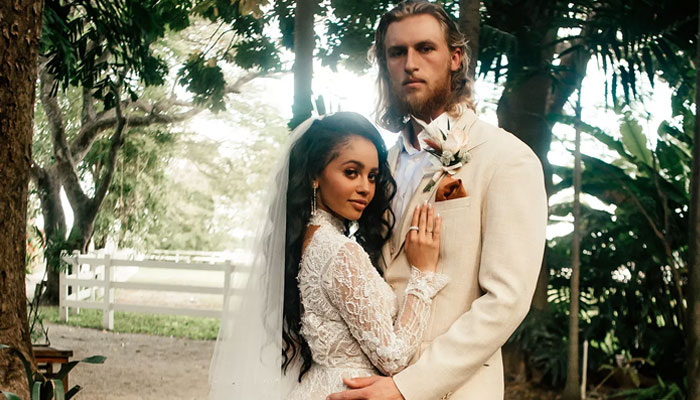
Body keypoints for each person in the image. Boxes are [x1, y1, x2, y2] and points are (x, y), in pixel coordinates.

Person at [328, 2, 548, 400]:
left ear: (455, 58)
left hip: (453, 390)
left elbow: (506, 301)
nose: (410, 64)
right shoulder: (377, 165)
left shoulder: (507, 159)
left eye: (425, 48)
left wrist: (407, 386)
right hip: (366, 383)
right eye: (397, 52)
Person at [208, 112, 449, 400]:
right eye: (351, 172)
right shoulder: (339, 251)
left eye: (372, 176)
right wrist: (423, 274)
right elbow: (393, 358)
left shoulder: (305, 240)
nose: (365, 188)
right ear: (315, 176)